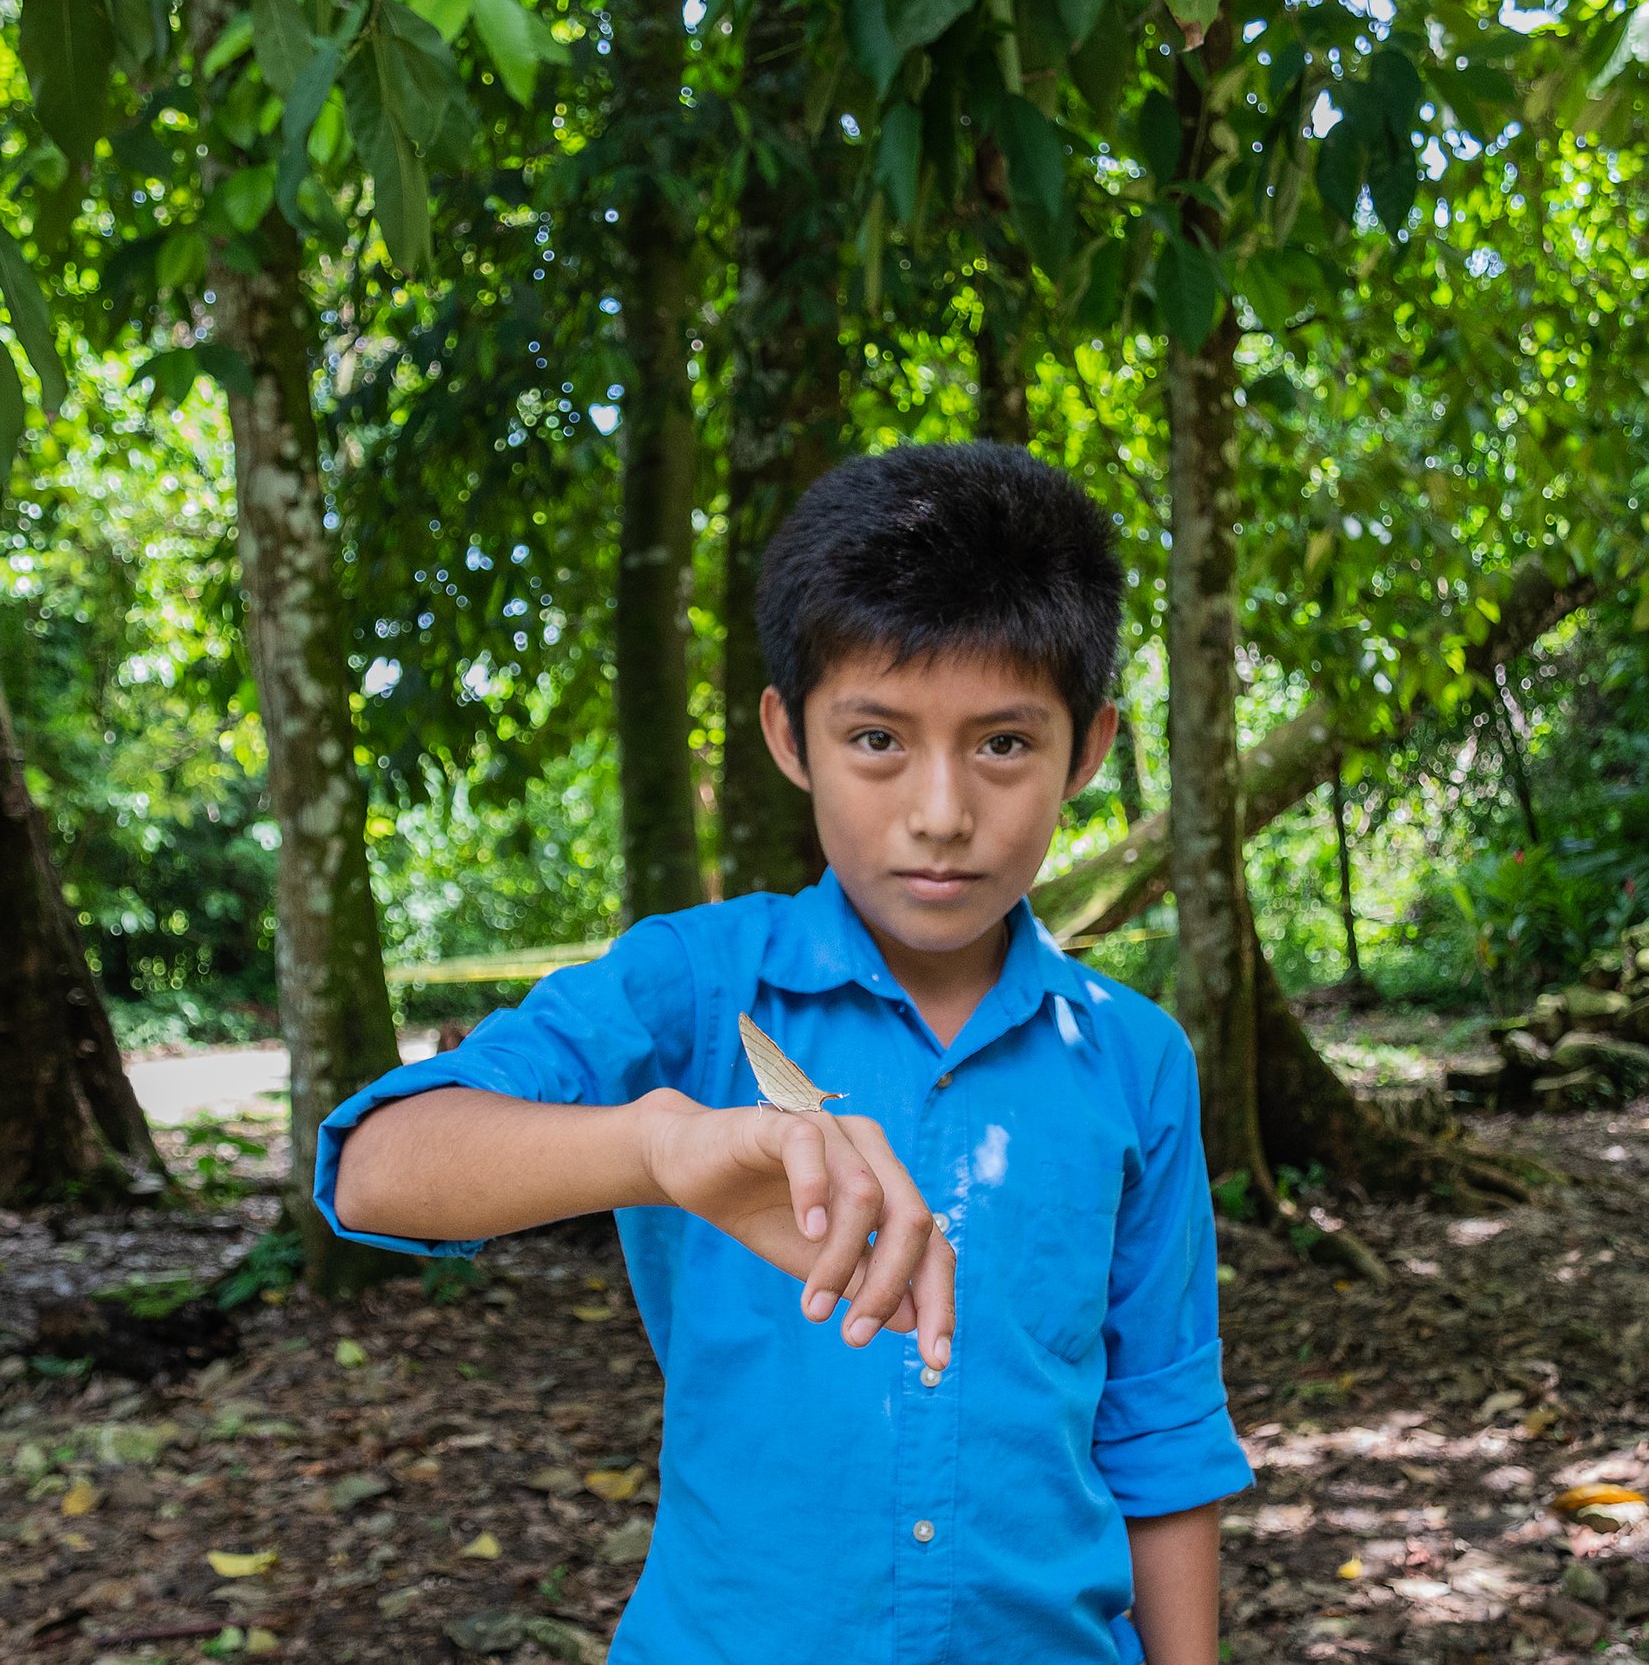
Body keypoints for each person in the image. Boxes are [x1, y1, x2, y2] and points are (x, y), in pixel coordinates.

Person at [319, 442, 1252, 1664]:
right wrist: (663, 1145)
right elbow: (375, 1168)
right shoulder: (691, 987)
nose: (938, 810)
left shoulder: (1133, 1056)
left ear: (1086, 749)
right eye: (875, 738)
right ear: (788, 734)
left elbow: (1160, 1424)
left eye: (1003, 745)